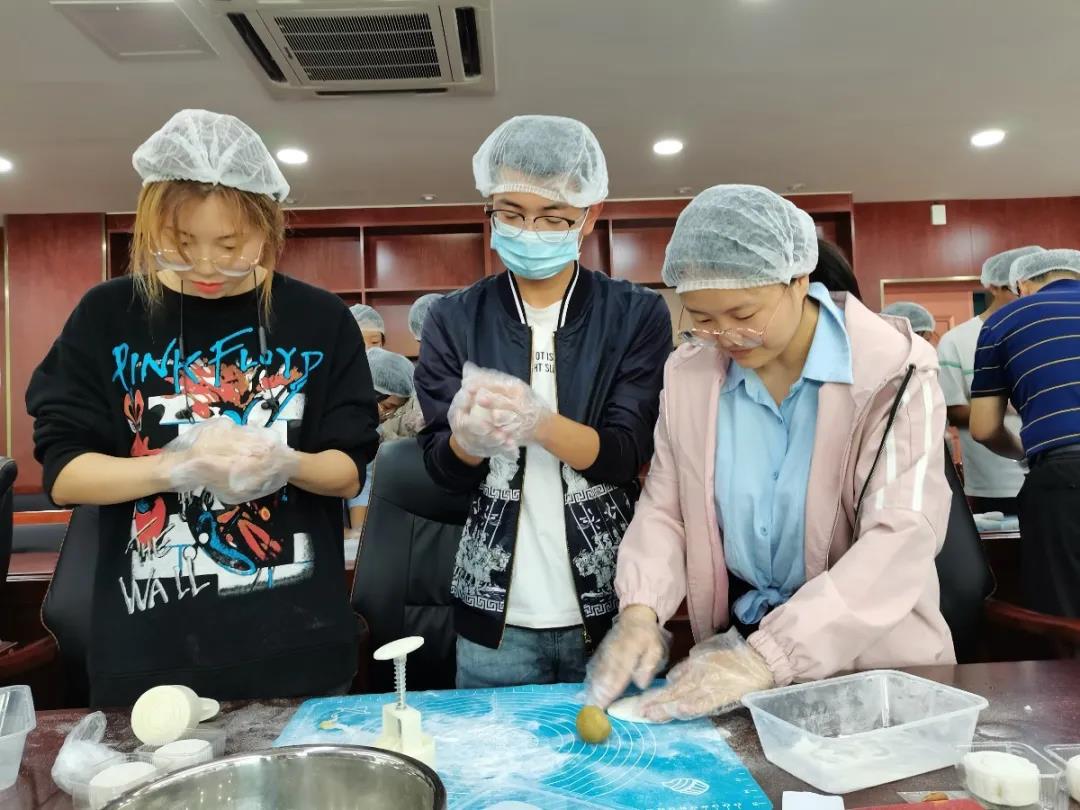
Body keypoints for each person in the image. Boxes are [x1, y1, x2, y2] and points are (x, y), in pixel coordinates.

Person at [26, 109, 380, 707]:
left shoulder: (320, 319)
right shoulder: (107, 315)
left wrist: (286, 463)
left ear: (268, 227)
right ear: (149, 225)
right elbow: (65, 475)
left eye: (231, 245)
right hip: (148, 657)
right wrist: (175, 468)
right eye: (181, 244)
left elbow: (348, 471)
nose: (207, 266)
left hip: (299, 650)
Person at [585, 184, 954, 722]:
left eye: (742, 313)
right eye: (702, 318)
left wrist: (770, 657)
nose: (725, 336)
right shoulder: (691, 378)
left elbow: (900, 538)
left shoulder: (894, 373)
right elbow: (666, 509)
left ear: (799, 280)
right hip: (743, 654)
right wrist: (641, 610)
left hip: (874, 667)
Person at [414, 115, 671, 689]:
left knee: (617, 745)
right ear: (489, 209)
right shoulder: (453, 318)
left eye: (553, 217)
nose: (530, 231)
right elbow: (442, 472)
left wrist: (540, 422)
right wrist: (467, 442)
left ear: (589, 216)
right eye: (511, 213)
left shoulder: (634, 315)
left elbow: (624, 455)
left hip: (610, 606)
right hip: (495, 621)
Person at [971, 248, 1080, 618]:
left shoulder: (1004, 321)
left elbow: (984, 428)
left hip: (1063, 479)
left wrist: (1024, 452)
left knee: (1064, 615)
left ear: (1022, 285)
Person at [937, 247, 1042, 514]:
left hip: (1053, 475)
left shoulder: (1044, 329)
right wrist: (1000, 405)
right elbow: (952, 412)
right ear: (994, 287)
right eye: (1015, 288)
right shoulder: (956, 340)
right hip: (993, 482)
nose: (1025, 295)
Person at [347, 346, 421, 530]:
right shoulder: (330, 422)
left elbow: (364, 480)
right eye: (387, 407)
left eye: (395, 410)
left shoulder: (371, 434)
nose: (388, 415)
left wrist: (358, 532)